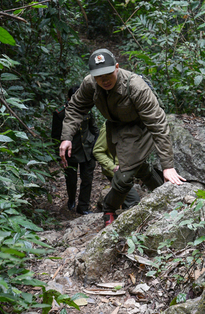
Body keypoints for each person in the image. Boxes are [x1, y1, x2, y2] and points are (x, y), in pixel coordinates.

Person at [59, 48, 185, 226]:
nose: (104, 80)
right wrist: (67, 137)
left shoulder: (135, 86)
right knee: (138, 167)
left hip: (142, 127)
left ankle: (108, 209)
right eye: (99, 76)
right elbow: (76, 108)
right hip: (116, 127)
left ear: (117, 67)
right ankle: (163, 191)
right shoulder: (90, 84)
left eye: (108, 74)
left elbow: (158, 124)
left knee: (124, 175)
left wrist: (168, 166)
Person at [51, 84, 99, 214]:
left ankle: (83, 206)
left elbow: (94, 129)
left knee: (87, 179)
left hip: (88, 150)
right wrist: (59, 157)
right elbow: (55, 137)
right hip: (70, 153)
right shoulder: (60, 114)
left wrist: (96, 146)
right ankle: (71, 199)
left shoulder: (87, 109)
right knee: (71, 180)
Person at [92, 123, 140, 210]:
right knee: (133, 200)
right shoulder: (109, 126)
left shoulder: (133, 123)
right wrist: (113, 167)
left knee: (123, 196)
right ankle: (108, 213)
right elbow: (98, 151)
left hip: (128, 170)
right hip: (116, 171)